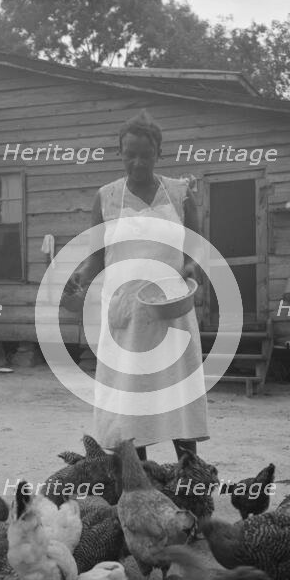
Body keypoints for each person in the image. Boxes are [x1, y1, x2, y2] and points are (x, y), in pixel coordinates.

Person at [72, 110, 208, 461]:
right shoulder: (106, 197)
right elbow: (97, 258)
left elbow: (196, 249)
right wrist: (80, 278)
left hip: (171, 308)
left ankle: (188, 473)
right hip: (126, 313)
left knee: (177, 391)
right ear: (120, 153)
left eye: (145, 155)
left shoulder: (179, 193)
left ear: (158, 154)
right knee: (132, 397)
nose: (137, 163)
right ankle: (139, 480)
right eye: (129, 154)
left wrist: (190, 271)